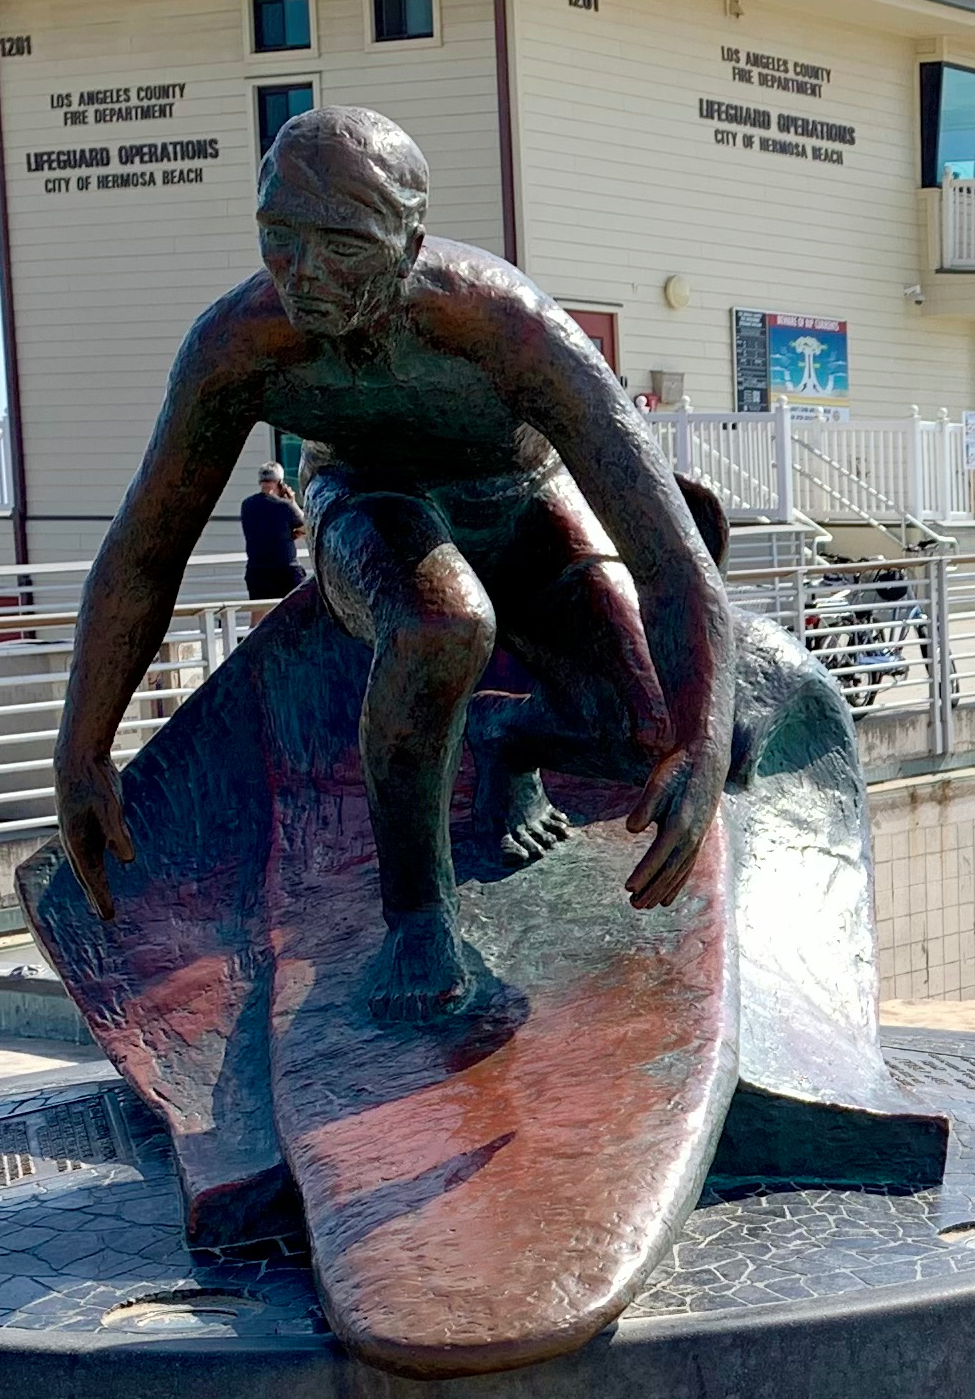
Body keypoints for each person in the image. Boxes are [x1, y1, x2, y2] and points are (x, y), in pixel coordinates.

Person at [54, 104, 733, 1021]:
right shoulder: (239, 347)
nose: (303, 273)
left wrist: (699, 739)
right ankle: (417, 912)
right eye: (278, 236)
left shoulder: (509, 328)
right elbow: (144, 549)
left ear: (411, 240)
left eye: (342, 243)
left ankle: (502, 739)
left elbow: (670, 554)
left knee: (641, 734)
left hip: (517, 496)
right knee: (441, 624)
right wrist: (83, 745)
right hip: (368, 499)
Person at [239, 461, 307, 599]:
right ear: (280, 482)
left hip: (257, 569)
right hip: (285, 568)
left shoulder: (247, 505)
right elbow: (307, 526)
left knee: (259, 614)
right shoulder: (285, 506)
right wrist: (292, 502)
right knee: (296, 611)